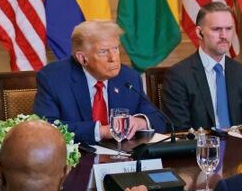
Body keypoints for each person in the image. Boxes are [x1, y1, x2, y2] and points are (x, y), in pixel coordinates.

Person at [32, 20, 167, 144]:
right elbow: (45, 127)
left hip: (122, 159)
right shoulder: (53, 78)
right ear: (82, 58)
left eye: (115, 49)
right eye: (103, 51)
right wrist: (101, 131)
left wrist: (140, 122)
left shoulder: (129, 77)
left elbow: (159, 119)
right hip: (76, 161)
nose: (113, 58)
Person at [161, 2, 242, 131]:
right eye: (216, 29)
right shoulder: (178, 76)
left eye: (229, 29)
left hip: (239, 148)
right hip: (201, 149)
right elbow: (180, 132)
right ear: (200, 33)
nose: (224, 36)